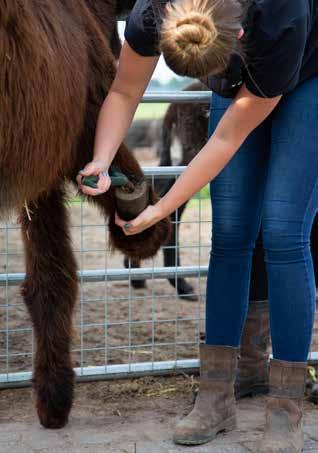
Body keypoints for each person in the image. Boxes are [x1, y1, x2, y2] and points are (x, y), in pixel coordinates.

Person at [77, 0, 318, 450]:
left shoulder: (281, 17)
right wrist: (102, 158)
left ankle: (286, 409)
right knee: (229, 233)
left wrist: (161, 207)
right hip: (240, 55)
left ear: (238, 38)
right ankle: (216, 397)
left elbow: (227, 137)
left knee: (284, 229)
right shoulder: (153, 13)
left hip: (308, 69)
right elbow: (125, 91)